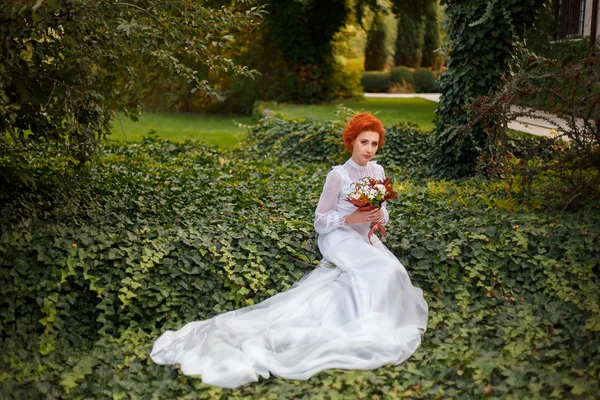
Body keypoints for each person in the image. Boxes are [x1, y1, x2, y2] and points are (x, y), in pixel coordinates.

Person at [150, 113, 429, 389]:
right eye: (364, 142)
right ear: (351, 142)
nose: (369, 150)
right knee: (381, 268)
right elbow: (320, 221)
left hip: (364, 237)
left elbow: (384, 211)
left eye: (374, 144)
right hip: (339, 237)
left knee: (390, 269)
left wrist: (379, 216)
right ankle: (370, 331)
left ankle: (375, 324)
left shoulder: (377, 172)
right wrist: (351, 218)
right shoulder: (338, 176)